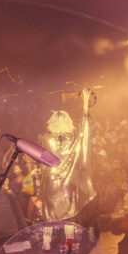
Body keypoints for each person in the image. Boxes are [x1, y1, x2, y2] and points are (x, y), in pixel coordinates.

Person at [40, 88, 97, 225]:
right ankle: (69, 243)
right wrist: (84, 105)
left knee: (51, 217)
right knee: (70, 217)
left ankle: (48, 244)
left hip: (51, 185)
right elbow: (85, 129)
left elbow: (42, 163)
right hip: (69, 183)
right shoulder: (74, 138)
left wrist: (39, 189)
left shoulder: (47, 139)